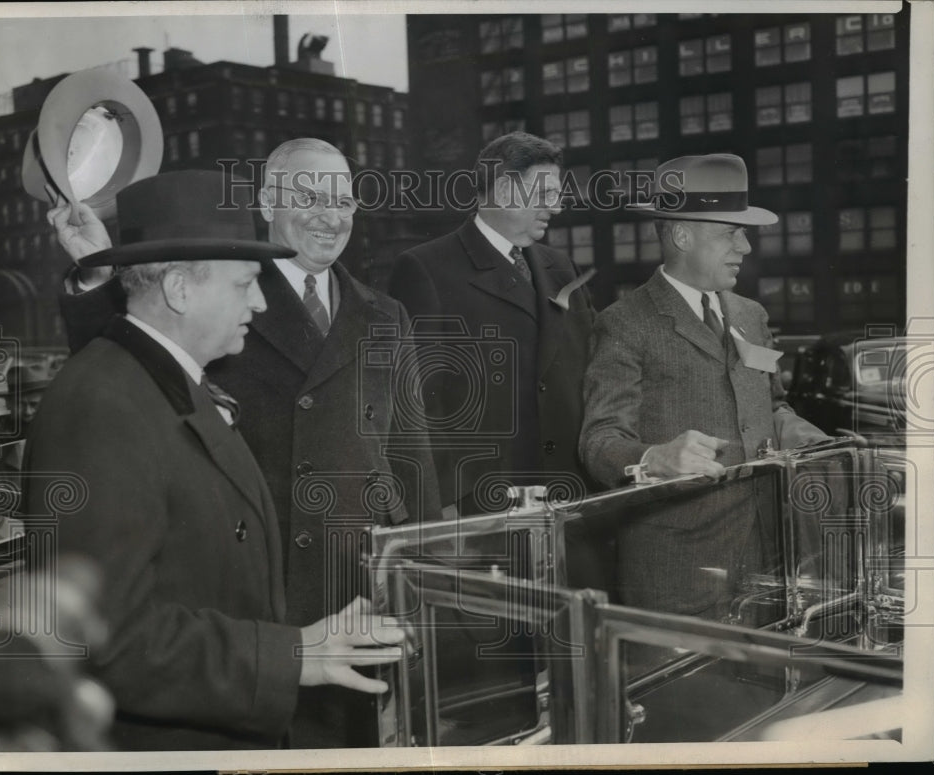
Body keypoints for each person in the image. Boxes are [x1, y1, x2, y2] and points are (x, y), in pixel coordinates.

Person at [50, 139, 440, 747]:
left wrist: (414, 576)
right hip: (255, 588)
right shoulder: (218, 289)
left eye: (343, 200)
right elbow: (130, 369)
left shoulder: (384, 312)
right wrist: (102, 275)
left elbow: (410, 456)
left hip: (352, 582)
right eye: (309, 197)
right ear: (265, 201)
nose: (330, 216)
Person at [580, 153, 830, 619]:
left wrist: (799, 433)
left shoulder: (752, 316)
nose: (746, 247)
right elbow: (600, 440)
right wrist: (654, 458)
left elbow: (772, 404)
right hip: (679, 571)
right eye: (730, 233)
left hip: (768, 560)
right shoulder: (624, 324)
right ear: (681, 234)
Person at [388, 131, 596, 522]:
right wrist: (446, 506)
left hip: (574, 504)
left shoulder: (561, 267)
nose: (557, 205)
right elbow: (417, 402)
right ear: (503, 189)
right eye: (545, 192)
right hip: (484, 510)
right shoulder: (426, 269)